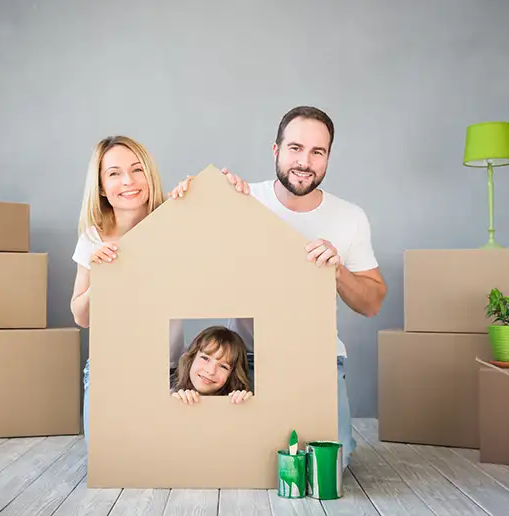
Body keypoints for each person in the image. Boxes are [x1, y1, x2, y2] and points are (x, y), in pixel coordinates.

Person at [169, 105, 387, 468]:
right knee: (232, 460)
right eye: (295, 148)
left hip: (316, 359)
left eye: (318, 152)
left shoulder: (349, 217)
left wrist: (337, 272)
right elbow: (179, 248)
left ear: (329, 157)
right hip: (245, 360)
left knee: (331, 463)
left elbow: (372, 303)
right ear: (276, 151)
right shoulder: (242, 197)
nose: (305, 161)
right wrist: (187, 196)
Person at [70, 135, 248, 445]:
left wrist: (211, 195)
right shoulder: (93, 237)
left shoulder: (173, 219)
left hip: (166, 372)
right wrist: (101, 278)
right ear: (101, 186)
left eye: (137, 170)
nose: (128, 181)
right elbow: (81, 317)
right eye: (114, 173)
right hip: (111, 370)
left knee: (164, 458)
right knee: (108, 460)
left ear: (149, 175)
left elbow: (226, 236)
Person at [171, 325, 253, 405]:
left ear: (232, 375)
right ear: (191, 358)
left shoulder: (237, 398)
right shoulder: (170, 390)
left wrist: (245, 402)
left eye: (223, 366)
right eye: (205, 358)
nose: (211, 371)